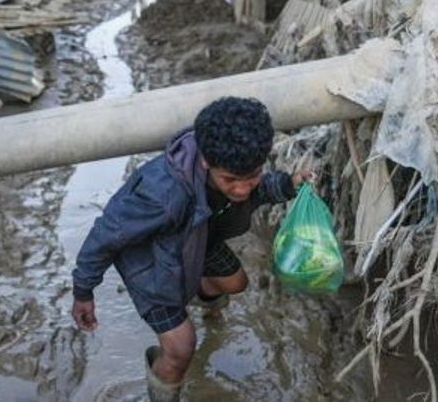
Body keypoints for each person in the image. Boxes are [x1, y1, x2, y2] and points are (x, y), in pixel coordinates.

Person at [70, 97, 310, 401]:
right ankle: (162, 392)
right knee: (181, 348)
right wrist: (83, 290)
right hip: (152, 265)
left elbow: (258, 188)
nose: (241, 189)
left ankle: (201, 303)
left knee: (236, 283)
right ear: (206, 161)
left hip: (197, 237)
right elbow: (106, 235)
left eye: (251, 176)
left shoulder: (239, 170)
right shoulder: (161, 193)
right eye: (231, 180)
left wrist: (289, 184)